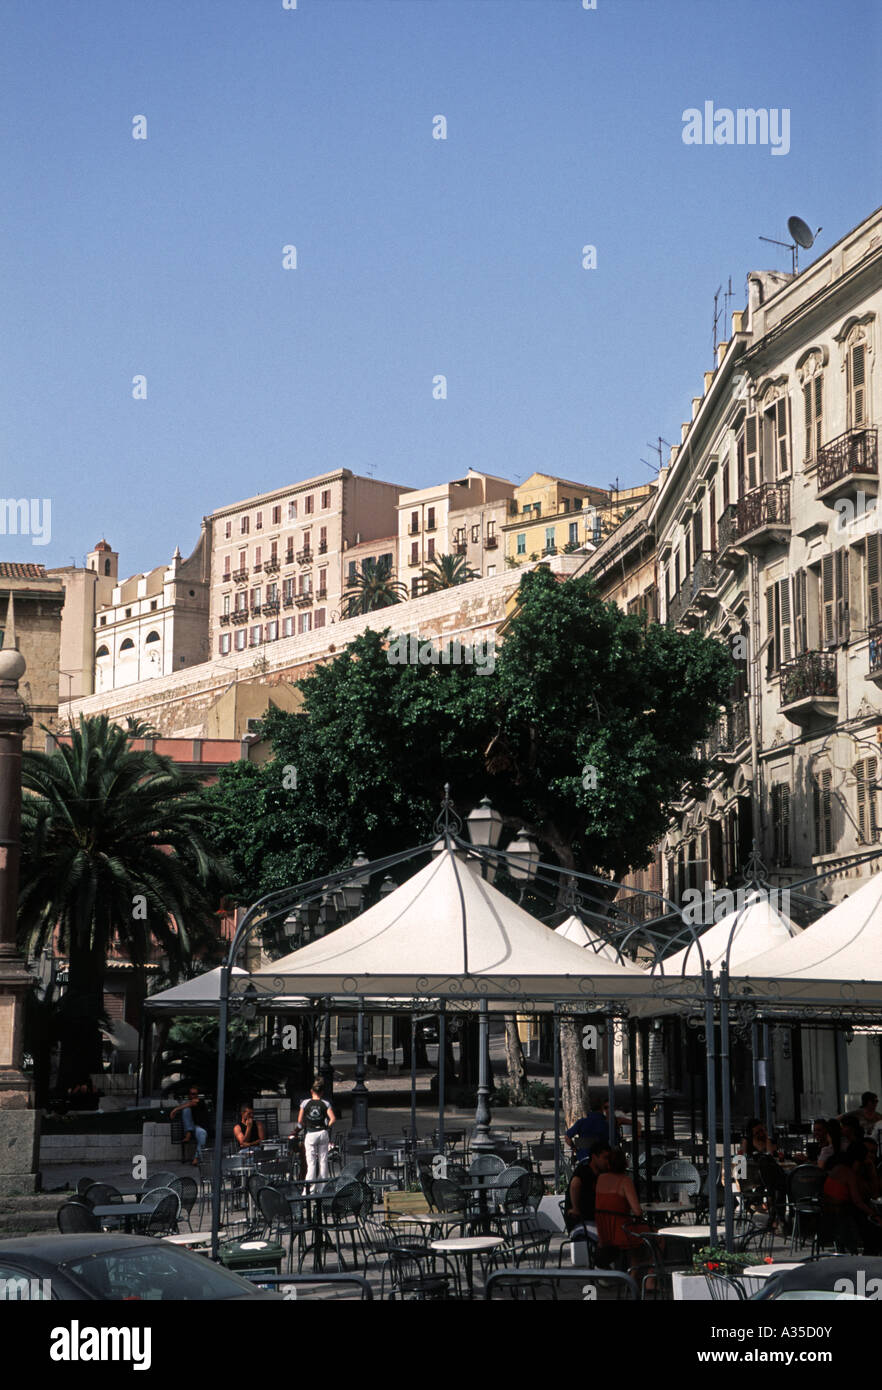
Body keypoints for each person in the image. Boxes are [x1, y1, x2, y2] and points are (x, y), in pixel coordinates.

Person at [594, 1148, 655, 1287]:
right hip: (622, 1232)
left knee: (636, 1241)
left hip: (604, 1232)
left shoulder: (600, 1179)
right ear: (625, 1164)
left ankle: (633, 1277)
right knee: (657, 1236)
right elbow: (638, 1211)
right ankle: (649, 1280)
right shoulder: (625, 1181)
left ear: (609, 1164)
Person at [822, 1142, 882, 1254]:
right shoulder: (848, 1173)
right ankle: (864, 1267)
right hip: (840, 1218)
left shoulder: (839, 1168)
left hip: (830, 1215)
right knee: (872, 1230)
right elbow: (858, 1201)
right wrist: (874, 1214)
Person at [564, 1140, 611, 1233]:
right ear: (594, 1157)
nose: (607, 1161)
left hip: (594, 1218)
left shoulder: (601, 1174)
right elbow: (574, 1185)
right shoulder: (584, 1170)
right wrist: (575, 1208)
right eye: (605, 1158)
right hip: (582, 1222)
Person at [297, 1077, 336, 1182]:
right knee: (323, 1161)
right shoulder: (326, 1103)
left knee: (311, 1163)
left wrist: (305, 1124)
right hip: (323, 1132)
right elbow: (333, 1119)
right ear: (322, 1092)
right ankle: (323, 1186)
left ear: (311, 1091)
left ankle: (310, 1187)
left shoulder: (305, 1103)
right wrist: (327, 1127)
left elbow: (299, 1120)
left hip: (311, 1133)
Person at [169, 1086, 210, 1166]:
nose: (194, 1096)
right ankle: (188, 1133)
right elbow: (188, 1105)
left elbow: (192, 1103)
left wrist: (174, 1110)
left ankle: (196, 1158)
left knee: (202, 1134)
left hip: (199, 1128)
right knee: (186, 1109)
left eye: (195, 1094)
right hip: (192, 1127)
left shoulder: (200, 1101)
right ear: (189, 1095)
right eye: (192, 1094)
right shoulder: (187, 1104)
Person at [565, 1099, 608, 1164]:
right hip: (602, 1159)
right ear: (602, 1109)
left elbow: (567, 1137)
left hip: (583, 1158)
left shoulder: (581, 1122)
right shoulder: (606, 1123)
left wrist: (575, 1149)